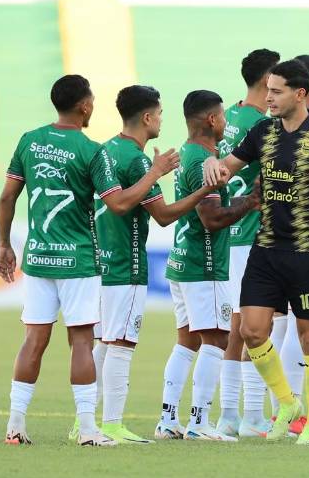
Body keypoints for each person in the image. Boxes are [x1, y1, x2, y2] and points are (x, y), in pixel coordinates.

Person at [0, 75, 179, 446]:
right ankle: (87, 429)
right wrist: (156, 173)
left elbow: (7, 199)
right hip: (78, 261)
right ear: (83, 106)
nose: (94, 106)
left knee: (34, 339)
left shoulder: (29, 141)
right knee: (82, 341)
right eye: (92, 100)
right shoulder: (90, 150)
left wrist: (4, 244)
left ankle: (15, 426)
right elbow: (120, 204)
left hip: (38, 257)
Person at [204, 59, 309, 447]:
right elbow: (226, 167)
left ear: (300, 94)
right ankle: (288, 403)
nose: (268, 97)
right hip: (267, 248)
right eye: (268, 90)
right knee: (251, 330)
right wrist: (212, 161)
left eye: (276, 91)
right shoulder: (263, 131)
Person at [92, 86, 221, 445]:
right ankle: (113, 423)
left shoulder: (106, 150)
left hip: (101, 262)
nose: (163, 119)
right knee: (120, 344)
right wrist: (197, 193)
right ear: (147, 118)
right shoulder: (137, 160)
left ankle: (85, 421)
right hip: (126, 263)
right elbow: (163, 216)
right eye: (160, 113)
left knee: (103, 342)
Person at [156, 90, 260, 442]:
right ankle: (199, 423)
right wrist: (252, 202)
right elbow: (213, 218)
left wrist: (247, 200)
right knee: (217, 339)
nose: (227, 122)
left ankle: (169, 418)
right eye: (223, 117)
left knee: (187, 341)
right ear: (212, 120)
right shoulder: (204, 161)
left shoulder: (188, 154)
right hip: (205, 263)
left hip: (182, 260)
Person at [216, 48, 280, 439]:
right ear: (268, 78)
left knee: (237, 327)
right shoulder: (263, 124)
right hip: (254, 234)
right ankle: (251, 414)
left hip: (228, 234)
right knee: (257, 325)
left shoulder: (228, 119)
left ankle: (230, 415)